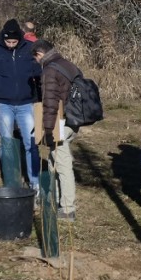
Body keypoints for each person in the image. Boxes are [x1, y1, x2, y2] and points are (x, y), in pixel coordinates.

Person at [0, 19, 44, 190]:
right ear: (3, 38)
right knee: (7, 142)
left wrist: (40, 100)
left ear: (20, 39)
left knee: (31, 142)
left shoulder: (29, 49)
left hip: (26, 103)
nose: (11, 45)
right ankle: (10, 181)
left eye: (14, 42)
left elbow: (39, 74)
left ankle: (35, 183)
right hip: (3, 104)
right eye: (8, 41)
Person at [33, 38, 81, 222]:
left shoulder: (49, 70)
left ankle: (68, 209)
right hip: (74, 119)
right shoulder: (67, 64)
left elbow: (50, 104)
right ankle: (54, 199)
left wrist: (47, 129)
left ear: (39, 54)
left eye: (35, 59)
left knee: (62, 164)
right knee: (54, 160)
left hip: (59, 121)